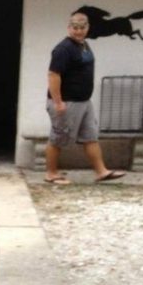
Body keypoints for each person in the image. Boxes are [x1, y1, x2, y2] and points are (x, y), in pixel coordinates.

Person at [45, 11, 127, 184]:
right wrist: (58, 102)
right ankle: (51, 174)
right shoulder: (63, 48)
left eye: (82, 28)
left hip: (84, 102)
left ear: (87, 28)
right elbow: (53, 74)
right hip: (67, 102)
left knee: (90, 137)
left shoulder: (84, 45)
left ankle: (101, 172)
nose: (78, 31)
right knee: (58, 138)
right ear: (69, 28)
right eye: (75, 28)